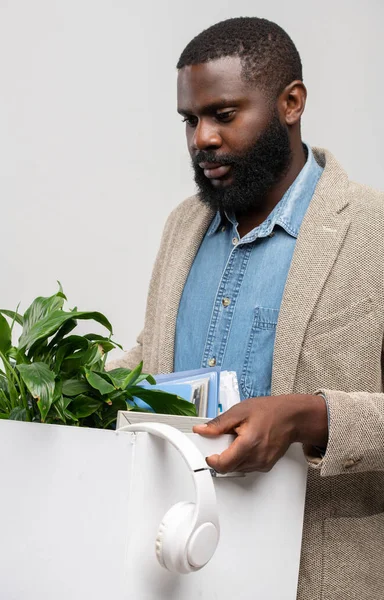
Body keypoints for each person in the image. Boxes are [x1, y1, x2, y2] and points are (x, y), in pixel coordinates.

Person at [110, 17, 384, 599]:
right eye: (190, 120)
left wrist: (309, 418)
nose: (201, 138)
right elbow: (154, 353)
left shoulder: (373, 232)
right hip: (174, 563)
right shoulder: (183, 225)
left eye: (224, 115)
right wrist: (58, 392)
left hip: (318, 578)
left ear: (291, 102)